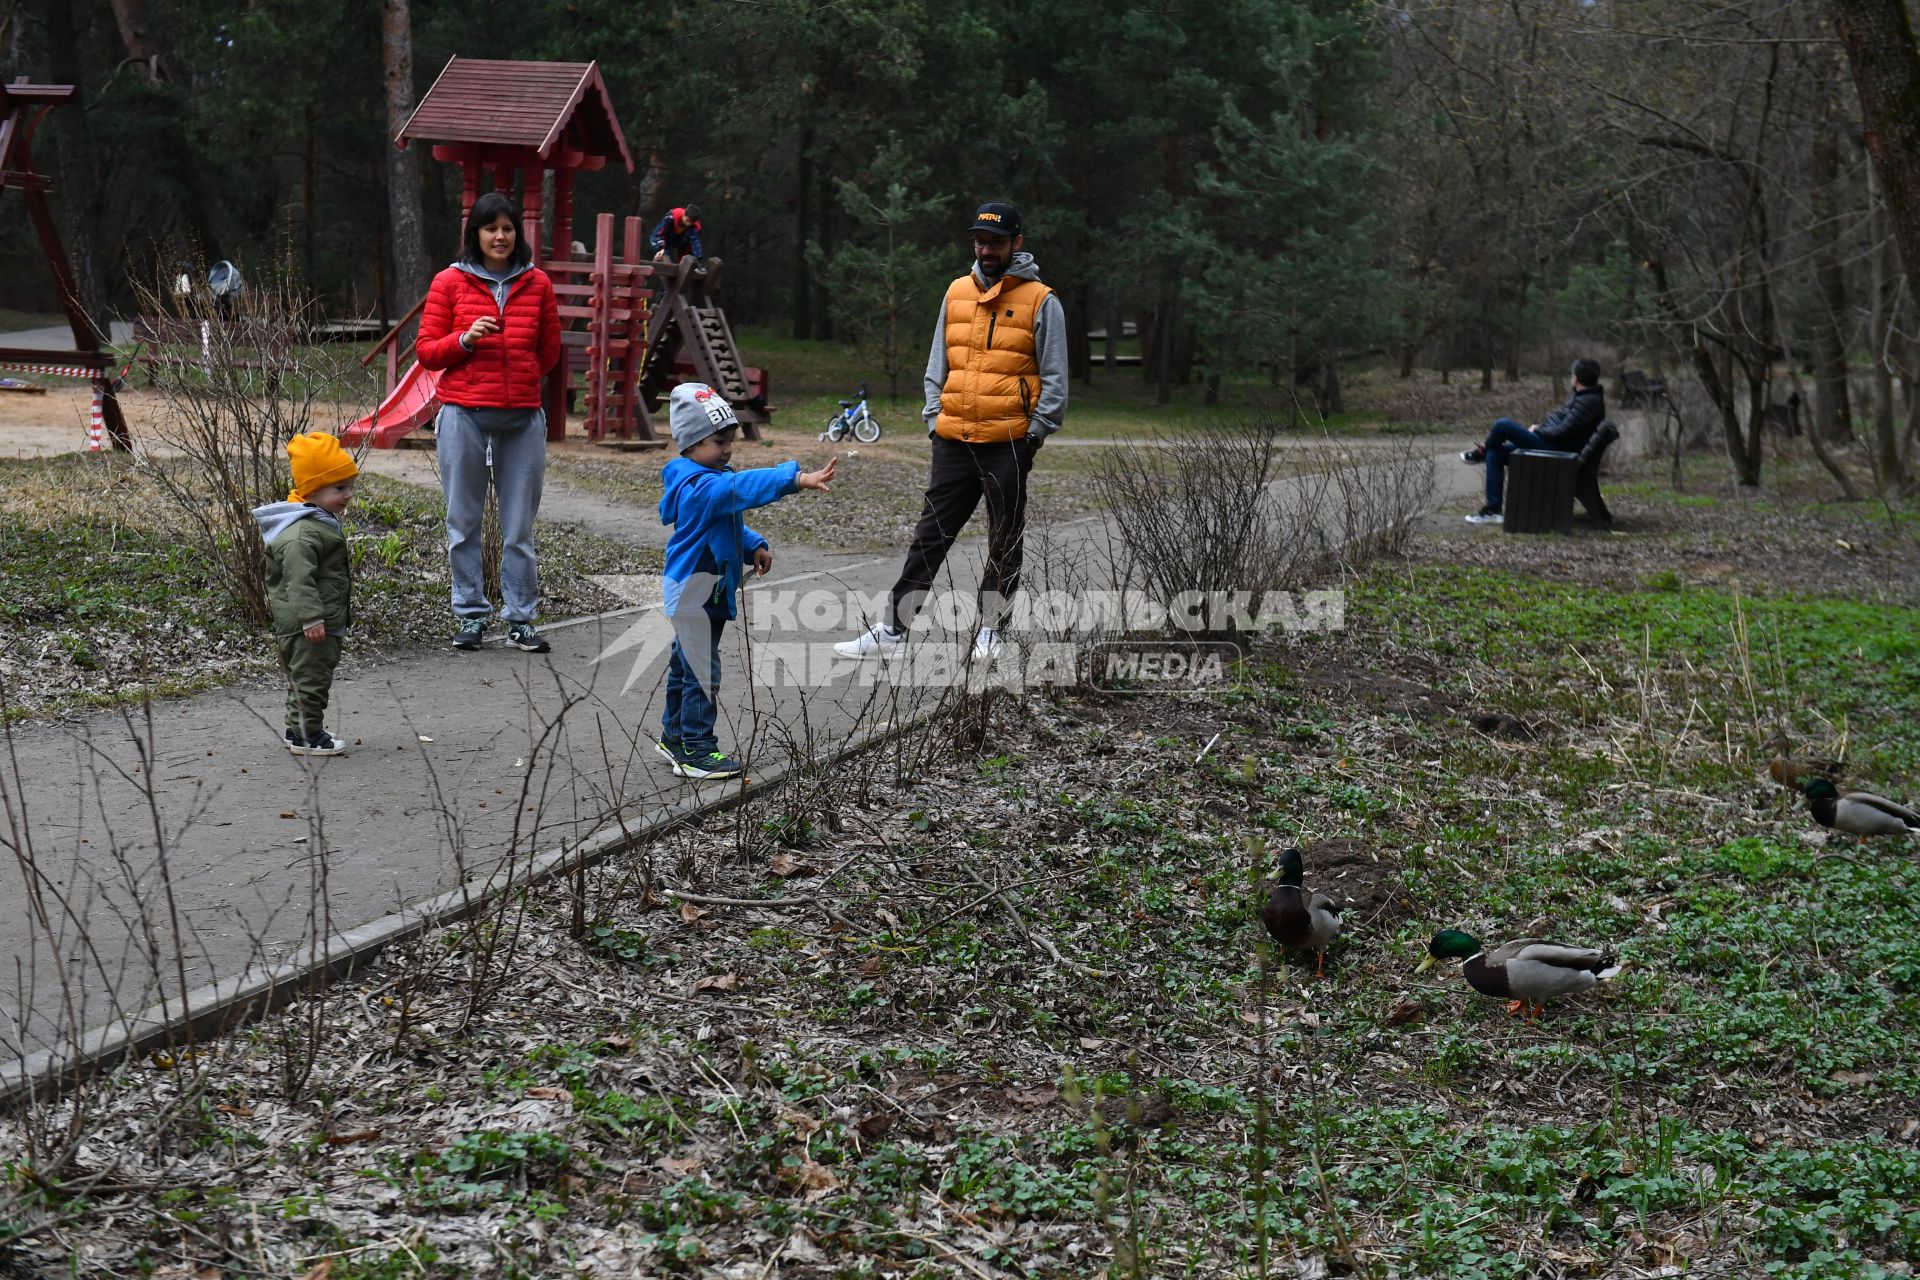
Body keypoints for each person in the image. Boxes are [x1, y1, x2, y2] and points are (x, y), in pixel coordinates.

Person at [833, 200, 1068, 663]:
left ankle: (990, 631)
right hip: (953, 439)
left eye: (996, 243)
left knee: (1005, 536)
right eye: (980, 241)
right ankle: (893, 630)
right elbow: (936, 363)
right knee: (930, 536)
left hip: (1009, 443)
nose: (986, 249)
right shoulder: (957, 291)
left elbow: (1056, 377)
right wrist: (933, 418)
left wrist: (1034, 434)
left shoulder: (1042, 300)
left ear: (1016, 244)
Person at [657, 382, 837, 781]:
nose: (728, 449)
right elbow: (738, 491)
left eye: (731, 440)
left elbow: (726, 521)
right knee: (702, 670)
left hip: (707, 588)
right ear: (690, 443)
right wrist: (793, 479)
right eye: (719, 441)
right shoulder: (698, 486)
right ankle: (697, 749)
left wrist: (751, 544)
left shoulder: (709, 477)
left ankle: (674, 737)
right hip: (693, 591)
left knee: (687, 664)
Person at [417, 192, 563, 651]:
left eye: (507, 228)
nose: (500, 236)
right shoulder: (449, 282)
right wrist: (464, 339)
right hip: (463, 414)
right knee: (463, 523)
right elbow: (426, 351)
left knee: (519, 528)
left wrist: (518, 382)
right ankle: (471, 616)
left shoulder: (538, 283)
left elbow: (549, 352)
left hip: (522, 418)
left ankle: (520, 619)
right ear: (475, 234)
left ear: (517, 233)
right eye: (490, 228)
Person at [252, 432, 357, 756]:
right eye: (340, 488)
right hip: (309, 623)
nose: (349, 495)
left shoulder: (316, 521)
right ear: (312, 489)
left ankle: (300, 726)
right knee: (311, 679)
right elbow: (298, 580)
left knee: (310, 676)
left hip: (318, 617)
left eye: (349, 486)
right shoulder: (301, 534)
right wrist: (310, 617)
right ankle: (305, 736)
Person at [1461, 357, 1607, 524]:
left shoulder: (1587, 401)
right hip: (1558, 448)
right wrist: (1540, 427)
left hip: (1558, 452)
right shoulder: (1585, 397)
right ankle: (1493, 510)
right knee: (1496, 453)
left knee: (1502, 425)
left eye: (1572, 374)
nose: (1571, 378)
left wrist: (1538, 430)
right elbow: (1560, 423)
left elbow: (1563, 432)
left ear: (1577, 378)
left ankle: (1482, 451)